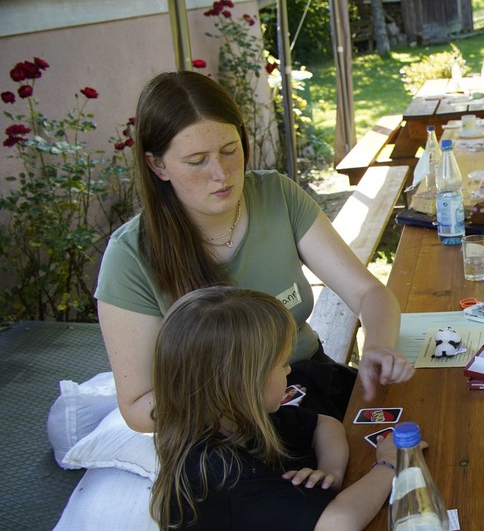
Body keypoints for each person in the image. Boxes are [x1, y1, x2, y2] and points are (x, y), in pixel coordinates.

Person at [96, 70, 413, 433]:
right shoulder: (129, 257)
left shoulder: (275, 195)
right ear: (158, 165)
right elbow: (138, 407)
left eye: (230, 151)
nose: (222, 173)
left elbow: (369, 292)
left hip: (311, 382)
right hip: (222, 424)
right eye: (197, 160)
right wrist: (243, 401)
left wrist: (378, 347)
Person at [150, 286, 400, 531]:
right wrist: (390, 464)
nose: (289, 370)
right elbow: (343, 522)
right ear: (243, 382)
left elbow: (325, 424)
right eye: (280, 364)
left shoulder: (232, 420)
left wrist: (330, 472)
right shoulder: (222, 475)